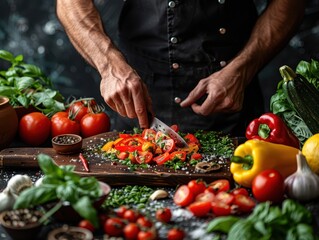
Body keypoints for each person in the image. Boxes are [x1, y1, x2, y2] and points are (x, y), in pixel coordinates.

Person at [56, 0, 305, 136]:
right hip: (139, 93)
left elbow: (290, 4)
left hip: (233, 95)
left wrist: (242, 70)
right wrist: (110, 65)